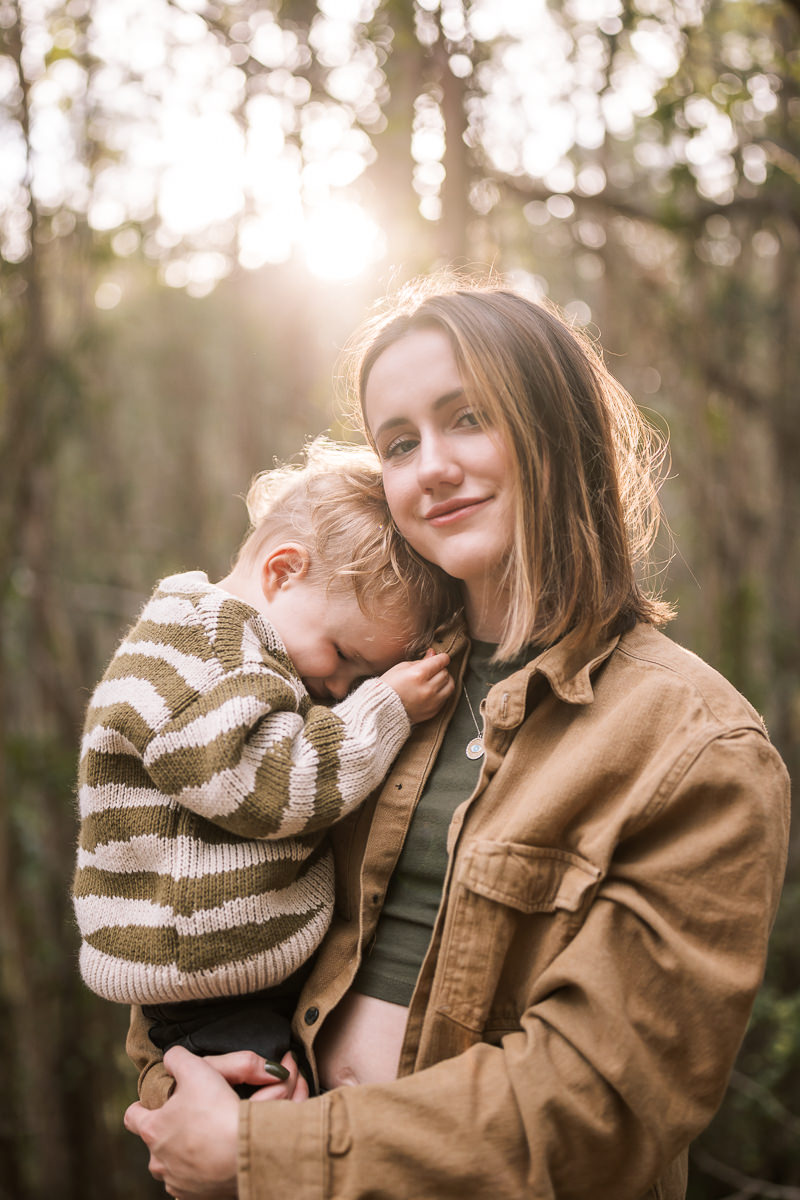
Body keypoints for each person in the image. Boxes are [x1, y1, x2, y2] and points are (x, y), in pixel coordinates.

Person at [123, 275, 790, 1199]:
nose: (429, 465)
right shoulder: (339, 689)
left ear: (555, 429)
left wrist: (267, 1157)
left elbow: (602, 1108)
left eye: (467, 417)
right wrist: (191, 1092)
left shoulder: (693, 746)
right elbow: (187, 920)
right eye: (399, 442)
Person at [74, 437, 455, 1094]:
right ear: (282, 572)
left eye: (365, 674)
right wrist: (383, 706)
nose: (341, 688)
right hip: (209, 983)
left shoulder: (223, 640)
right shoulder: (213, 652)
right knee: (267, 1122)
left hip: (228, 974)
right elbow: (265, 788)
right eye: (341, 655)